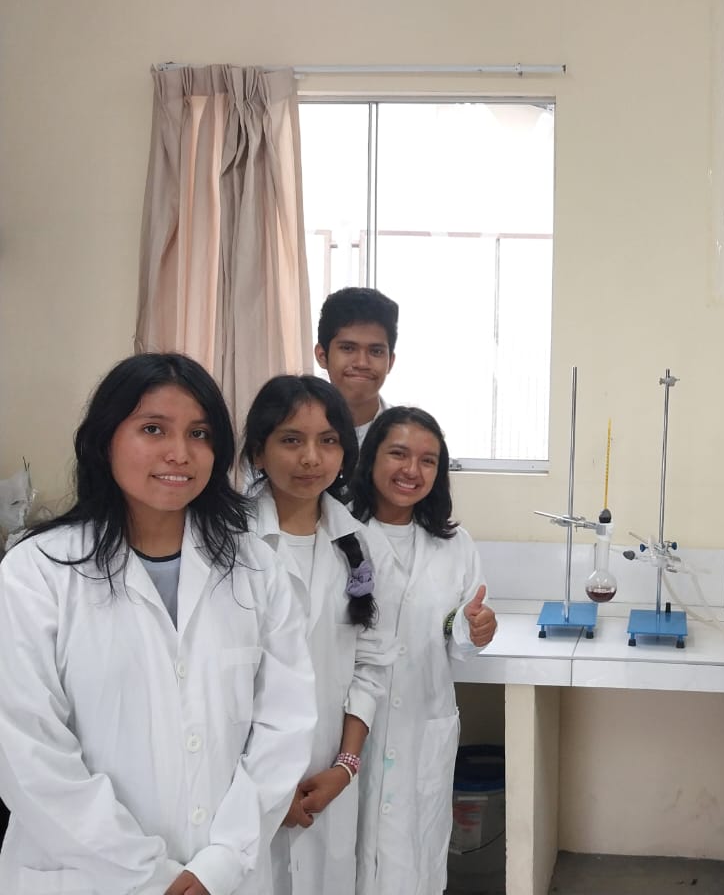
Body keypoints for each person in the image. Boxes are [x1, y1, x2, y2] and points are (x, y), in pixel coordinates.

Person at [0, 353, 316, 895]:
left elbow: (285, 726)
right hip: (88, 877)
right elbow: (26, 751)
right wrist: (148, 875)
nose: (180, 453)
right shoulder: (37, 571)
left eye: (199, 433)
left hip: (224, 875)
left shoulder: (257, 568)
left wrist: (221, 862)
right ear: (106, 440)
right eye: (153, 429)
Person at [240, 375, 396, 895]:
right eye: (291, 439)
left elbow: (370, 664)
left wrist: (345, 767)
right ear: (258, 451)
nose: (311, 458)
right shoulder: (225, 543)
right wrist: (266, 786)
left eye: (328, 441)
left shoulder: (359, 545)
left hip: (327, 780)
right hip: (240, 783)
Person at [350, 407, 497, 894]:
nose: (412, 470)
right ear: (372, 458)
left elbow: (456, 624)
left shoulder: (454, 544)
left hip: (422, 724)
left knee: (414, 863)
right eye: (399, 454)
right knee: (345, 860)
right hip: (350, 728)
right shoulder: (340, 533)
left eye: (428, 461)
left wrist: (473, 627)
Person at [314, 287, 399, 445]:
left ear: (390, 362)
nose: (362, 363)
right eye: (348, 348)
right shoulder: (292, 430)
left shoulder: (408, 437)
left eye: (376, 351)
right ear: (322, 355)